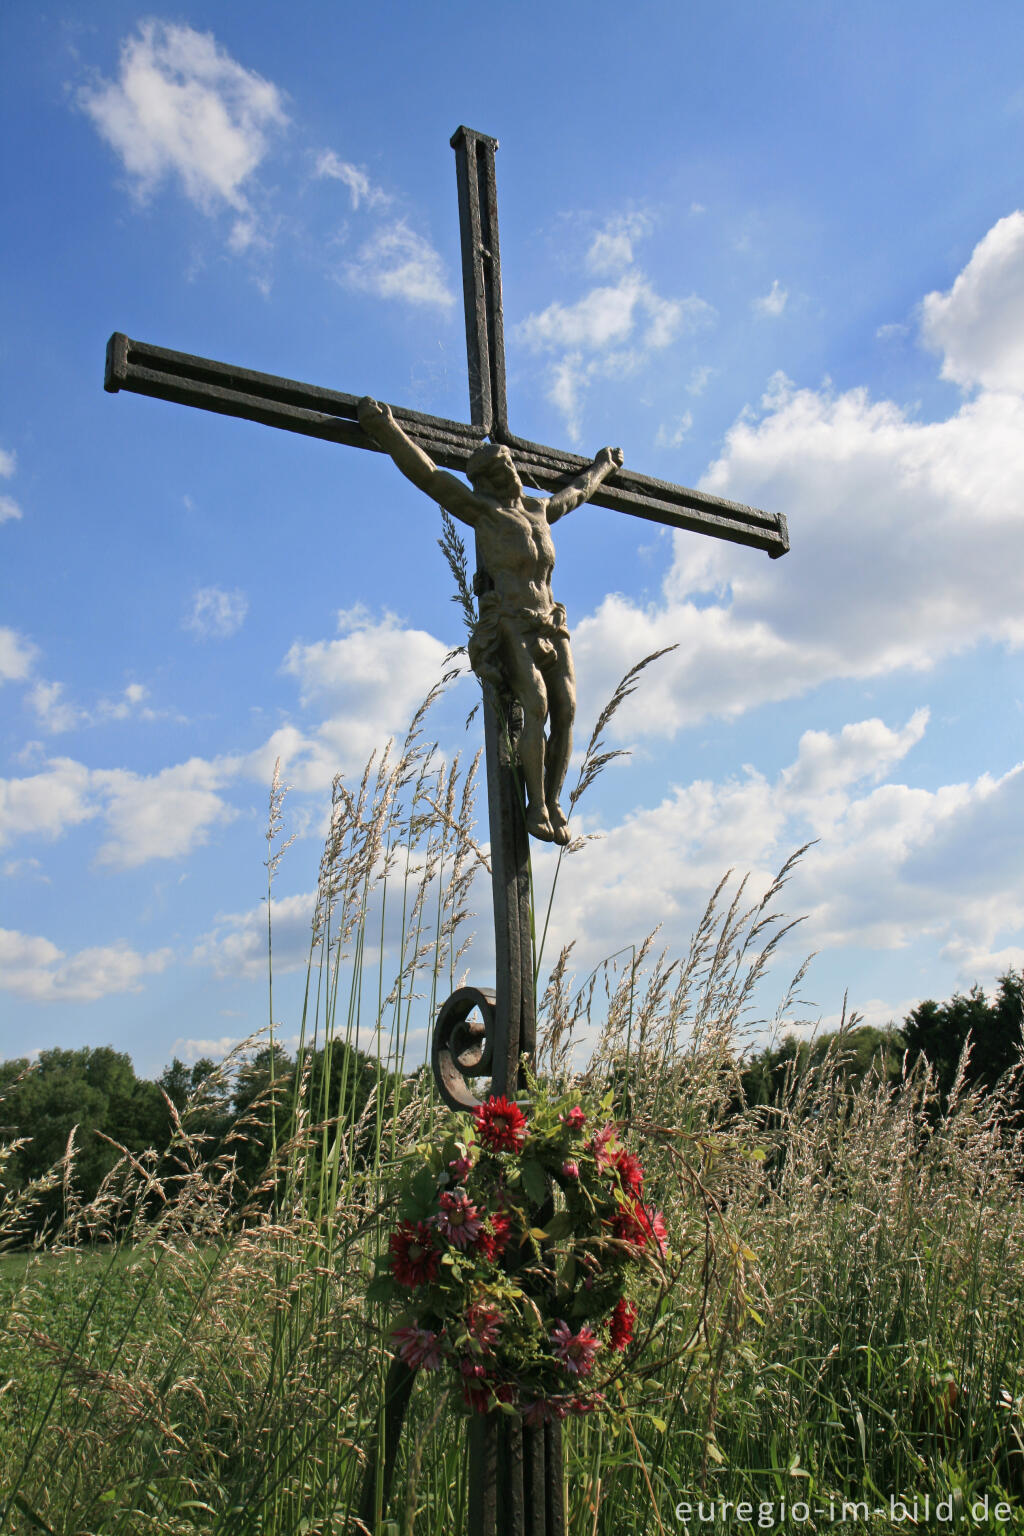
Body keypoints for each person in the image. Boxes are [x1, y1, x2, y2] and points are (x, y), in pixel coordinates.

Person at [357, 397, 623, 843]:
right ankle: (535, 806)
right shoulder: (484, 515)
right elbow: (430, 477)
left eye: (508, 465)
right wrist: (388, 432)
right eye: (497, 470)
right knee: (535, 704)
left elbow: (577, 493)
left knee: (568, 707)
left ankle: (553, 798)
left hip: (551, 621)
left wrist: (604, 467)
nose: (508, 473)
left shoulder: (539, 511)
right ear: (485, 481)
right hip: (513, 622)